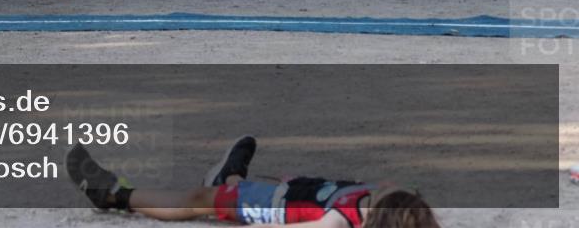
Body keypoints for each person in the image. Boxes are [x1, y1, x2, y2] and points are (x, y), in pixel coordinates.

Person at [66, 136, 440, 228]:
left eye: (387, 190)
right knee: (228, 187)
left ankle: (115, 195)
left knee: (196, 199)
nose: (387, 182)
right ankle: (230, 174)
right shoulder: (387, 206)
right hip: (293, 190)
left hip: (264, 206)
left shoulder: (339, 221)